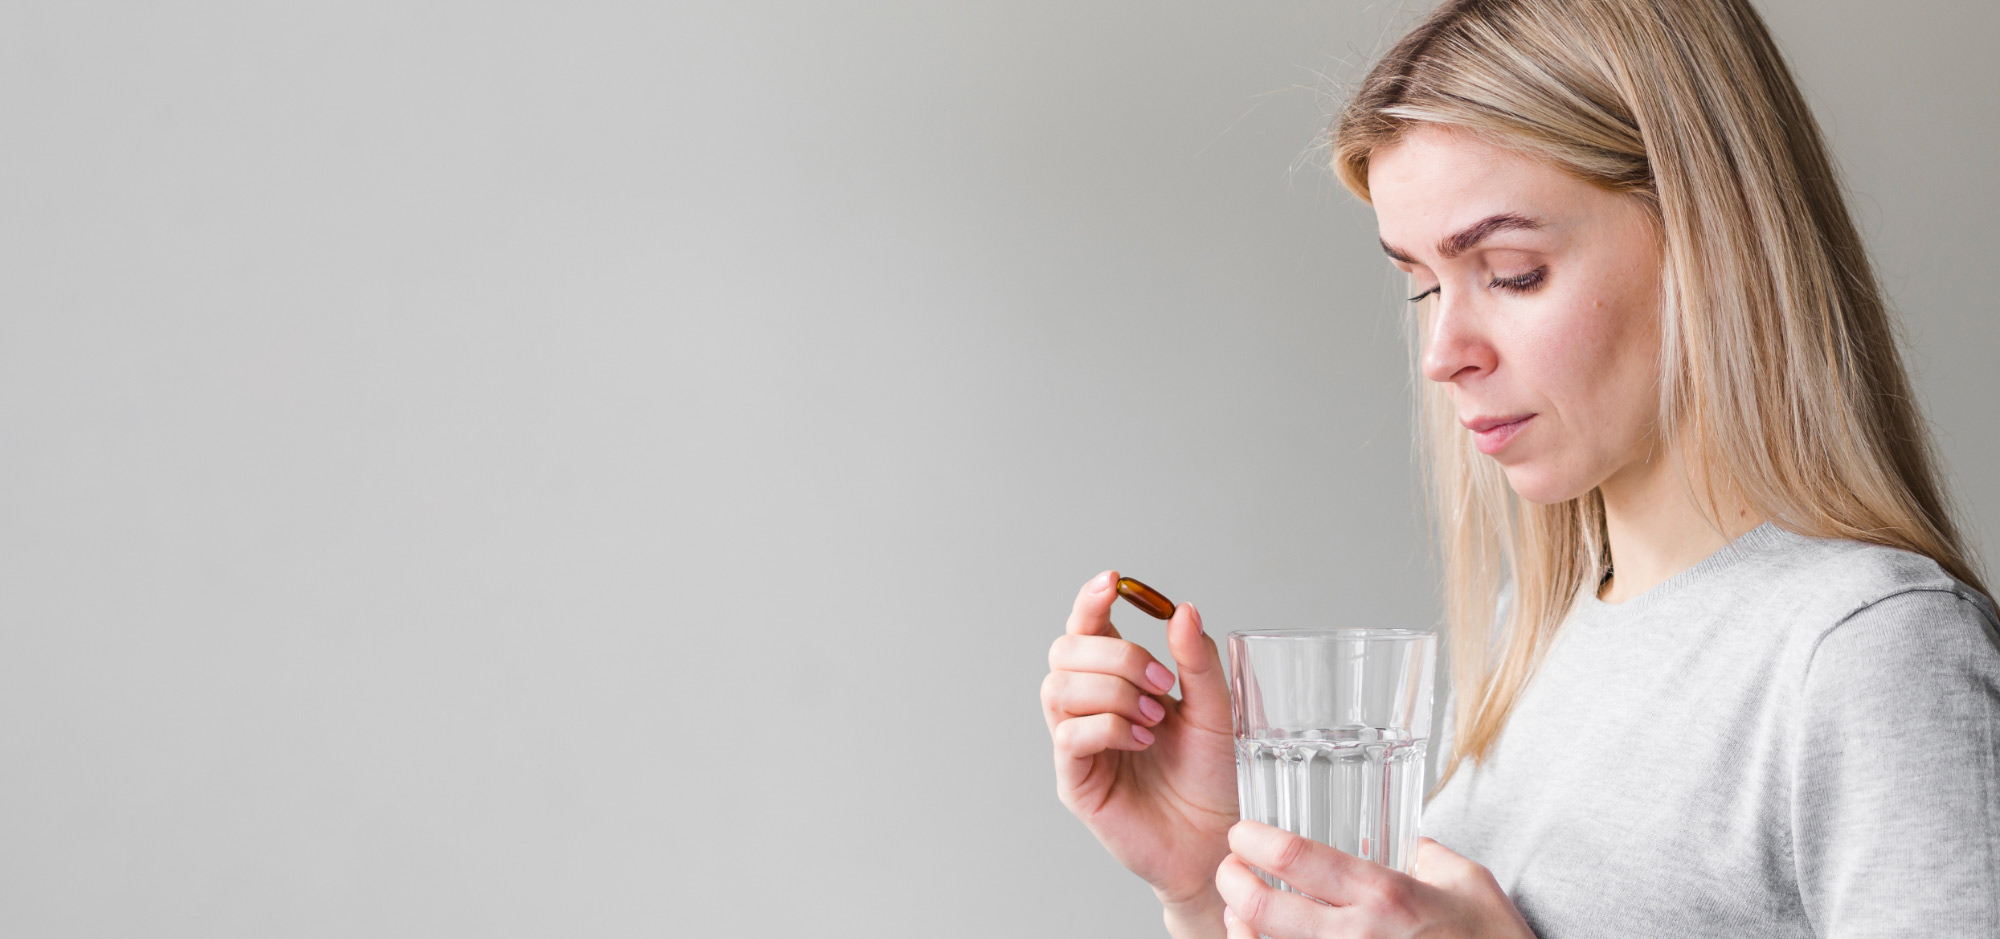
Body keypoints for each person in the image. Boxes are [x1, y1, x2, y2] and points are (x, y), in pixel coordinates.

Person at [1037, 0, 2000, 936]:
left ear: (1713, 237)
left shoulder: (1872, 651)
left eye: (1510, 270)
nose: (1442, 350)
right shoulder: (1535, 631)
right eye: (1421, 284)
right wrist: (1215, 886)